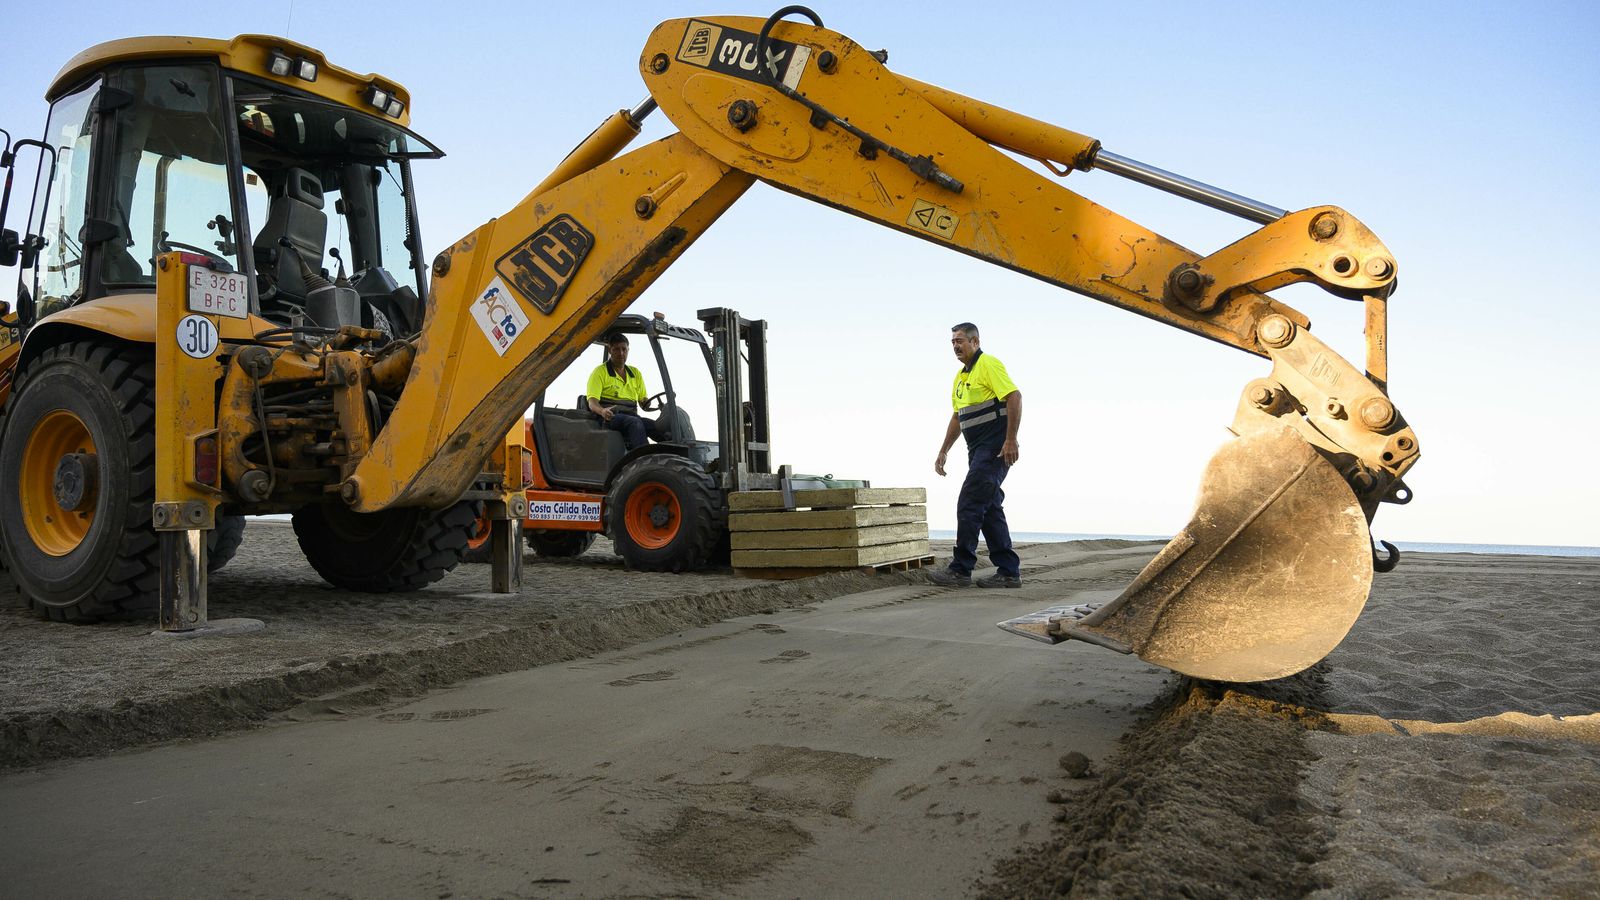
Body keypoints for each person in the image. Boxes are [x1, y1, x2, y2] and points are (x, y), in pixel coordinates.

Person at [927, 322, 1023, 588]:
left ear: (975, 342)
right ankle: (1008, 572)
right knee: (989, 508)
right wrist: (943, 450)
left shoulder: (988, 364)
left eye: (961, 340)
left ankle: (961, 569)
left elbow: (1014, 396)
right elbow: (958, 416)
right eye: (953, 342)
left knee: (969, 502)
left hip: (995, 446)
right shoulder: (960, 378)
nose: (956, 346)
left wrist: (1010, 439)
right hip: (976, 449)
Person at [586, 333, 670, 450]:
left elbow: (643, 403)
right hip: (610, 417)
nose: (621, 353)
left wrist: (648, 403)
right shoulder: (600, 372)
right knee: (635, 423)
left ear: (628, 350)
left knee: (660, 429)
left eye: (624, 349)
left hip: (632, 416)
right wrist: (602, 411)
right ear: (610, 350)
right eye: (616, 349)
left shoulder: (635, 373)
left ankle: (671, 457)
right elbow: (592, 403)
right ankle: (644, 460)